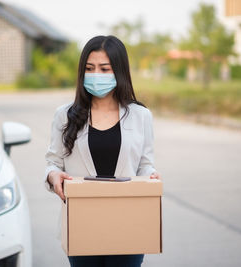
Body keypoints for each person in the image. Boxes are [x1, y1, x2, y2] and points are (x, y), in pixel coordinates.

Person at [44, 35, 160, 267]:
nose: (96, 75)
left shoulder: (141, 116)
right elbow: (53, 163)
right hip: (81, 224)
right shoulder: (65, 115)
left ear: (119, 71)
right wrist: (53, 175)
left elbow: (145, 163)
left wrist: (151, 176)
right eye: (90, 68)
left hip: (129, 224)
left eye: (105, 69)